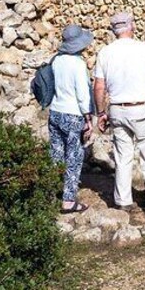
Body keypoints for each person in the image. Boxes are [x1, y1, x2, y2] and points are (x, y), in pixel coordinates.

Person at [94, 12, 145, 218]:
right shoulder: (144, 48)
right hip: (141, 107)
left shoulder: (105, 53)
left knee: (122, 157)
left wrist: (101, 113)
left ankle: (123, 202)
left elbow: (99, 86)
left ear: (113, 30)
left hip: (117, 109)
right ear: (131, 26)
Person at [48, 24, 94, 213]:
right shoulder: (78, 64)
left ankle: (51, 193)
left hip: (55, 111)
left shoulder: (56, 60)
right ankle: (68, 201)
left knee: (56, 154)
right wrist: (88, 117)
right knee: (74, 156)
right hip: (73, 114)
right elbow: (82, 95)